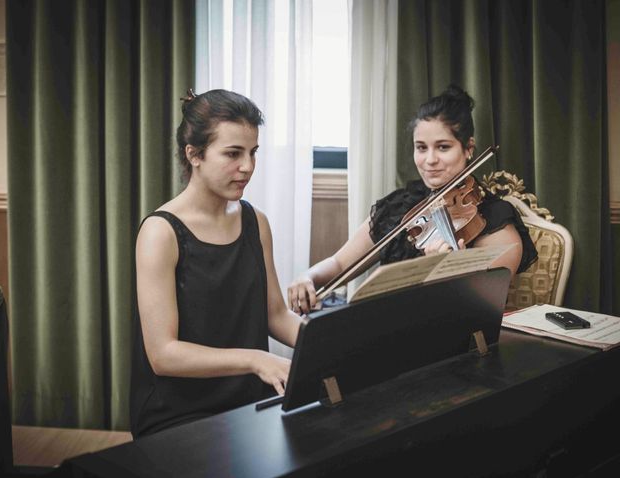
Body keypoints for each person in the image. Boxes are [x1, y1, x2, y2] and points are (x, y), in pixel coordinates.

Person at [130, 89, 302, 438]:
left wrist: (332, 341)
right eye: (233, 154)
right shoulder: (160, 233)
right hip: (178, 413)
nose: (248, 167)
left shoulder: (256, 222)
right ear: (194, 154)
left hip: (249, 399)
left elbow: (276, 316)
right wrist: (256, 360)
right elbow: (163, 354)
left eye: (253, 152)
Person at [288, 84, 538, 315]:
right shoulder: (404, 205)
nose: (429, 160)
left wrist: (443, 271)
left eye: (443, 147)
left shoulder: (493, 220)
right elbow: (340, 262)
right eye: (421, 147)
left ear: (469, 148)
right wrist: (308, 277)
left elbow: (478, 309)